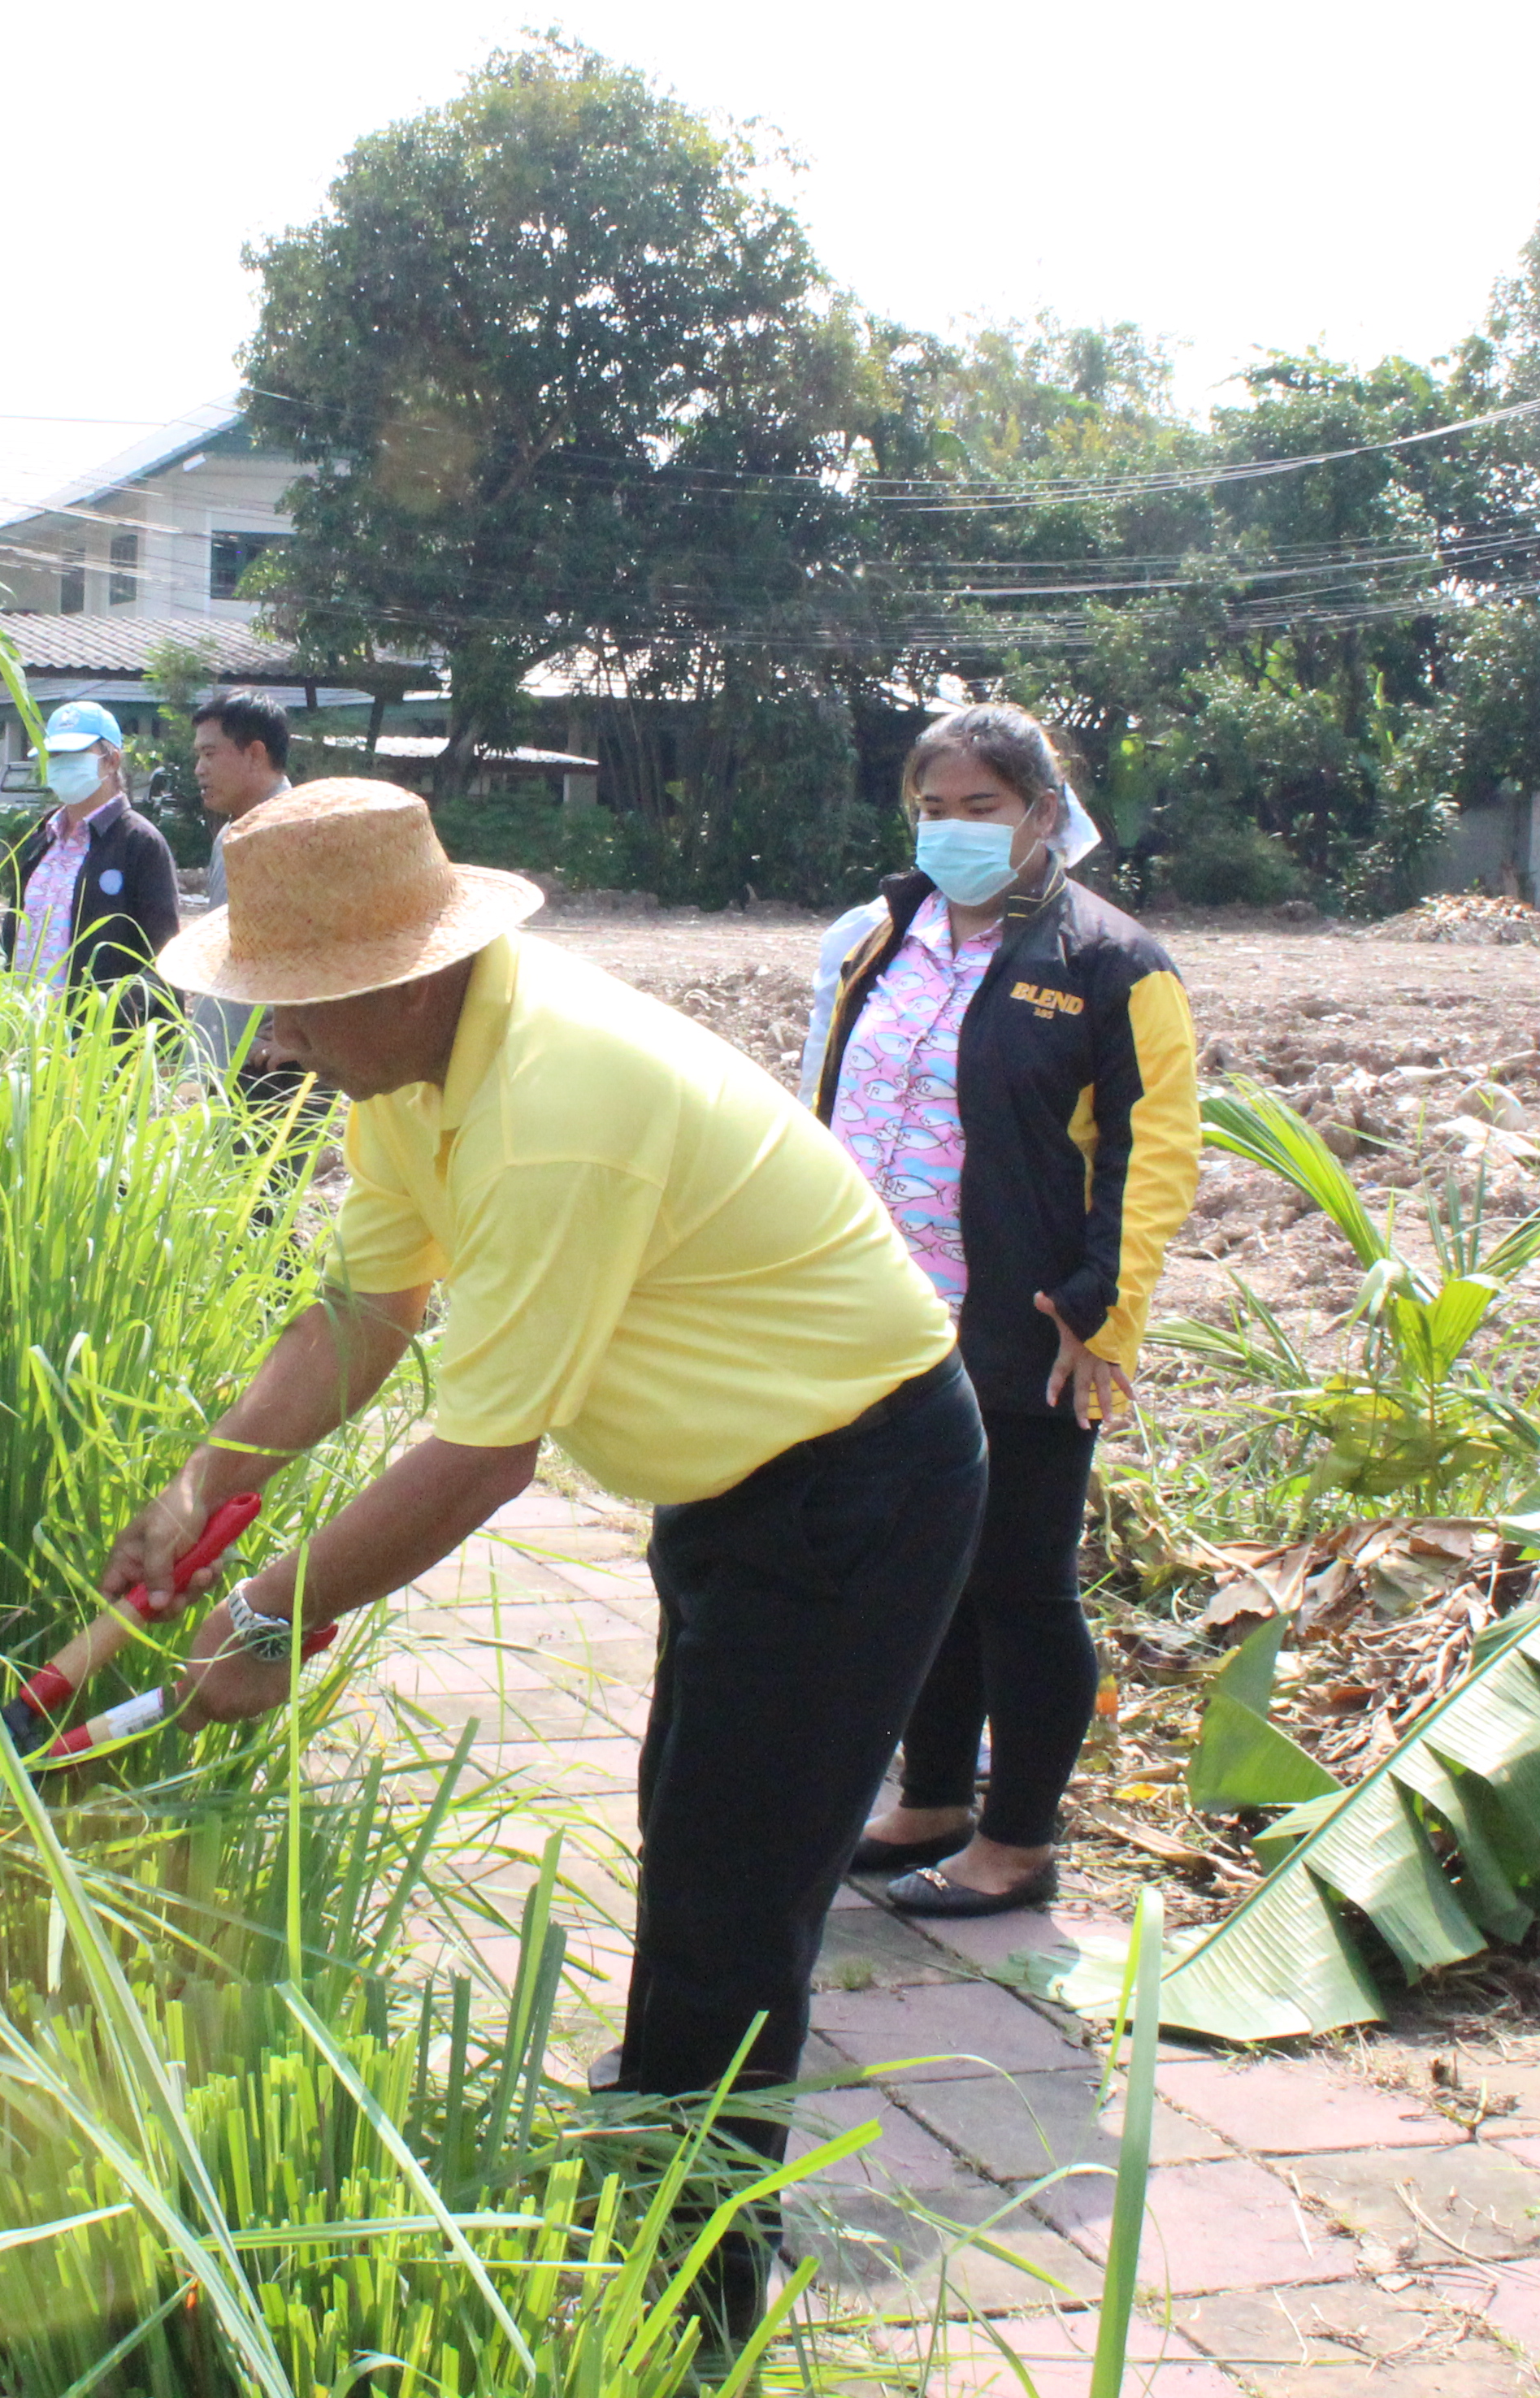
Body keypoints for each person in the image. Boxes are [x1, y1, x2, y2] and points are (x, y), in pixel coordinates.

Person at [105, 778, 977, 2329]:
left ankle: (687, 2310)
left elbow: (478, 1461)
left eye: (298, 1010)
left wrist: (265, 1613)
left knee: (734, 1897)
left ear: (406, 972)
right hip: (732, 1485)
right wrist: (200, 1488)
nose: (278, 1046)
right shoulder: (413, 1077)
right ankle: (652, 2143)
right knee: (694, 1836)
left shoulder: (552, 1109)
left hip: (856, 1482)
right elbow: (365, 1317)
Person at [803, 704, 1199, 1920]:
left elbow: (1158, 1152)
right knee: (926, 1571)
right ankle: (930, 1799)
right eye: (932, 808)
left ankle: (1018, 1841)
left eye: (980, 808)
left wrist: (1103, 1315)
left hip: (1027, 1325)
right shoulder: (885, 937)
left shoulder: (1111, 964)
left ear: (1042, 813)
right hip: (880, 1317)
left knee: (1023, 1586)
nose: (953, 831)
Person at [0, 699, 181, 1021]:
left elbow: (166, 957)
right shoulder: (41, 838)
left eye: (74, 755)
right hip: (27, 1037)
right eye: (55, 756)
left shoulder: (140, 843)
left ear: (111, 760)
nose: (60, 765)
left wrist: (160, 1041)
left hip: (99, 1045)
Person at [184, 690, 301, 1103]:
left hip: (274, 1066)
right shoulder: (234, 834)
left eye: (211, 755)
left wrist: (306, 1038)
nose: (199, 769)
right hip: (238, 1055)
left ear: (254, 754)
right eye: (198, 756)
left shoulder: (301, 831)